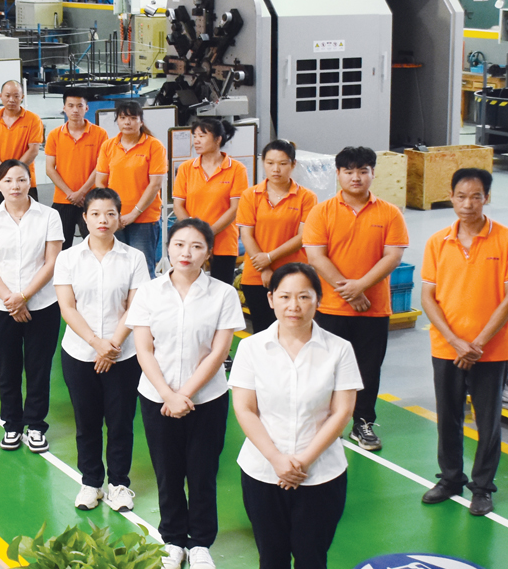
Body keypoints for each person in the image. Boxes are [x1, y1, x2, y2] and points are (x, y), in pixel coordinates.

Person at [125, 218, 243, 569]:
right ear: (168, 248)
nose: (186, 253)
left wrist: (184, 394)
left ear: (209, 252)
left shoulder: (223, 294)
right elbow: (144, 349)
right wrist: (167, 394)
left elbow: (219, 351)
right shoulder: (149, 292)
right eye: (178, 244)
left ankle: (201, 543)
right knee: (168, 472)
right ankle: (173, 540)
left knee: (202, 472)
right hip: (156, 398)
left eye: (196, 246)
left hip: (207, 400)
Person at [230, 263, 360, 569]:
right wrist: (276, 459)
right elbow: (245, 409)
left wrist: (303, 461)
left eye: (304, 297)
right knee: (271, 559)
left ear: (318, 299)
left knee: (311, 559)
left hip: (321, 475)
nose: (294, 306)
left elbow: (342, 411)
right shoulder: (250, 348)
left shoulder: (339, 350)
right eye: (285, 296)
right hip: (262, 473)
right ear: (271, 299)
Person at [417, 168, 508, 517]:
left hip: (490, 350)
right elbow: (428, 297)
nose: (468, 204)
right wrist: (455, 341)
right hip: (446, 347)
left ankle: (482, 487)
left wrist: (476, 344)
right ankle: (450, 479)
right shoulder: (437, 242)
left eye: (476, 196)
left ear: (487, 198)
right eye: (461, 196)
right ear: (451, 197)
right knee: (447, 416)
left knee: (487, 422)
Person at [301, 146, 408, 451]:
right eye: (348, 171)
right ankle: (323, 422)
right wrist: (348, 291)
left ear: (373, 173)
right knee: (325, 369)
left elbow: (393, 256)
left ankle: (362, 423)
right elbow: (316, 256)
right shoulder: (321, 211)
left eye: (363, 171)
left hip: (373, 309)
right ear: (338, 174)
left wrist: (360, 286)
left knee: (368, 370)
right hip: (330, 307)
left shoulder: (390, 213)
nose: (356, 177)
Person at [53, 187, 146, 513]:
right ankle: (91, 482)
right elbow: (67, 307)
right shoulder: (68, 258)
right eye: (95, 214)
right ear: (85, 218)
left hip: (124, 355)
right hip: (80, 353)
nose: (102, 220)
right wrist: (96, 344)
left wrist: (112, 346)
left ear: (119, 218)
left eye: (110, 214)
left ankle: (119, 484)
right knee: (87, 421)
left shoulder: (134, 258)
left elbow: (135, 307)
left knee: (121, 422)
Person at [0, 160, 63, 452]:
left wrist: (24, 296)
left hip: (43, 305)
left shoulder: (49, 216)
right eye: (9, 180)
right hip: (0, 307)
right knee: (8, 369)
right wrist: (11, 300)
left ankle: (36, 425)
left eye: (22, 179)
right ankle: (11, 425)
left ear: (30, 182)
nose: (15, 186)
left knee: (39, 369)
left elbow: (51, 262)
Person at [236, 140, 316, 334]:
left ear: (293, 164)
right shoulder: (250, 195)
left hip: (294, 275)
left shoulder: (306, 197)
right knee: (263, 331)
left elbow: (303, 236)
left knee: (294, 330)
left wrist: (269, 258)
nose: (276, 169)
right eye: (270, 163)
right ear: (263, 163)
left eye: (282, 163)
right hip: (257, 276)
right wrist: (264, 267)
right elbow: (246, 235)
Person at [95, 101, 167, 275]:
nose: (127, 122)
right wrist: (112, 213)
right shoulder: (108, 146)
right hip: (115, 218)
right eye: (123, 118)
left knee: (143, 270)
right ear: (117, 121)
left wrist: (134, 213)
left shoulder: (154, 146)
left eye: (133, 118)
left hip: (144, 219)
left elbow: (155, 184)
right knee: (116, 269)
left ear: (141, 121)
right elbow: (100, 183)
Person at [172, 118, 246, 284]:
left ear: (218, 139)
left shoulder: (237, 169)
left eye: (202, 136)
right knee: (189, 287)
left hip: (224, 241)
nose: (196, 141)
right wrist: (196, 232)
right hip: (191, 241)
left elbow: (235, 209)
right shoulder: (186, 168)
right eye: (195, 136)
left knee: (221, 290)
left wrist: (208, 233)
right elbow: (178, 205)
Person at [45, 93, 107, 248]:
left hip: (91, 199)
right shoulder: (54, 135)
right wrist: (70, 194)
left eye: (80, 106)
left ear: (86, 108)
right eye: (71, 106)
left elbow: (101, 167)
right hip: (63, 199)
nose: (75, 110)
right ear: (64, 108)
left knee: (95, 245)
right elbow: (50, 169)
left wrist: (81, 193)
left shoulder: (100, 134)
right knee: (60, 246)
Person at [0, 81, 43, 201]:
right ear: (0, 96)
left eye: (16, 96)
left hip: (24, 179)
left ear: (22, 97)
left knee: (27, 212)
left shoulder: (33, 119)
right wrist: (4, 170)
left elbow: (33, 150)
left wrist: (16, 171)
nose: (11, 100)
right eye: (7, 95)